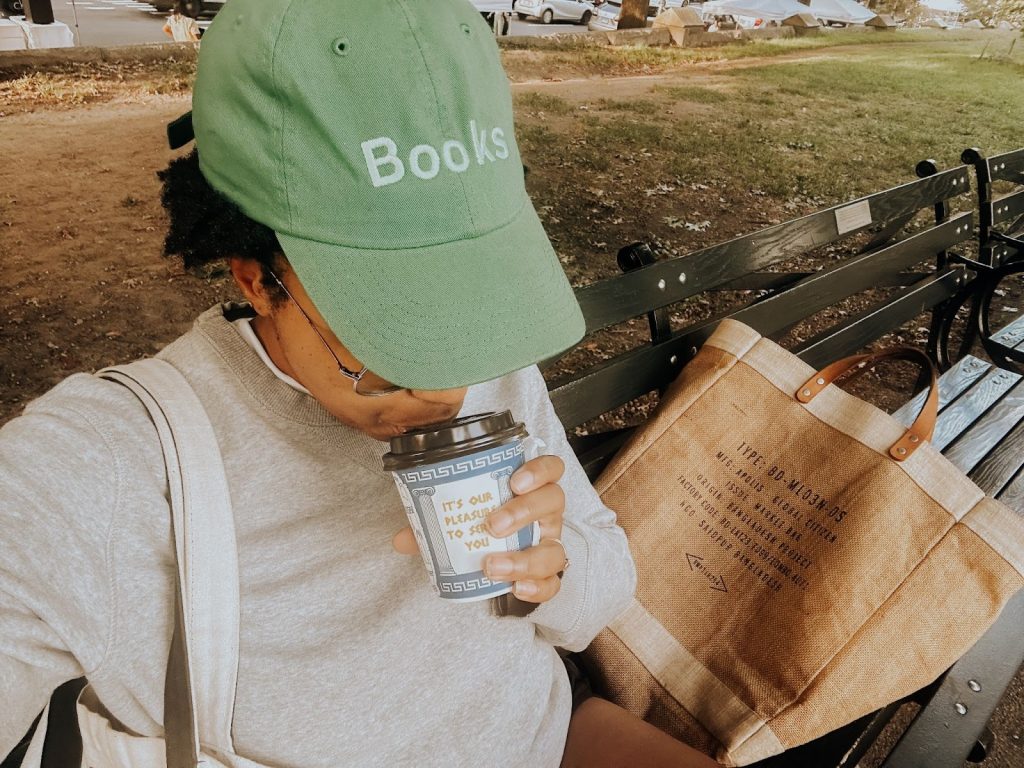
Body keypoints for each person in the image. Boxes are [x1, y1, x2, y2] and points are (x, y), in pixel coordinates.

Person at [0, 1, 718, 766]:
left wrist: (553, 565)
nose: (447, 389)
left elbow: (601, 585)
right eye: (389, 333)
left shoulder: (488, 360)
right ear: (255, 279)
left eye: (465, 310)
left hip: (548, 738)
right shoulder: (100, 471)